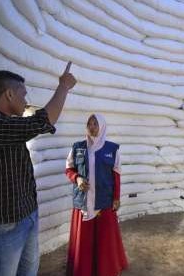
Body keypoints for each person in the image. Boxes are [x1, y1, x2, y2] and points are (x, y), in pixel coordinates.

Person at [0, 62, 76, 276]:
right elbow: (41, 122)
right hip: (4, 225)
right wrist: (63, 87)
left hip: (27, 216)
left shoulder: (10, 125)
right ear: (9, 94)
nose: (26, 101)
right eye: (23, 94)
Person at [65, 113, 128, 276]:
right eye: (89, 124)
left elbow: (116, 175)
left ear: (102, 126)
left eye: (95, 124)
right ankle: (83, 269)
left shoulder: (112, 149)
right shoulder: (77, 147)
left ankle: (105, 269)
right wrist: (77, 178)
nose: (92, 127)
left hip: (104, 201)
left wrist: (116, 197)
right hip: (84, 201)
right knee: (84, 239)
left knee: (104, 239)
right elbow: (69, 169)